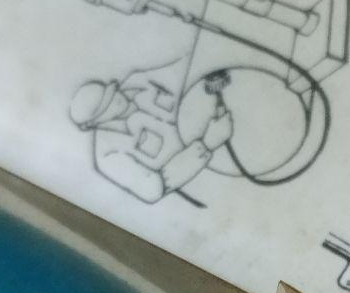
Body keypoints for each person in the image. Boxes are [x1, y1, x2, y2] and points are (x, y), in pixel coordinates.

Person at [70, 60, 233, 203]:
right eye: (106, 106)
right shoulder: (107, 156)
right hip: (208, 180)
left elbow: (183, 68)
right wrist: (206, 145)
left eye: (111, 93)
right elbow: (153, 188)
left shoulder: (139, 81)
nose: (116, 99)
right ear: (94, 123)